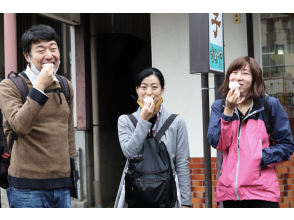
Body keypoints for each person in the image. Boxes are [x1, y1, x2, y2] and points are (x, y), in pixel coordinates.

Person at [0, 24, 77, 208]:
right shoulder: (10, 86)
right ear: (27, 56)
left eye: (53, 48)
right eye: (40, 50)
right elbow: (21, 126)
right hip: (27, 187)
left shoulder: (65, 85)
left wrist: (73, 176)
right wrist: (39, 87)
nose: (49, 55)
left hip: (62, 185)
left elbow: (69, 133)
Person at [207, 56, 294, 208]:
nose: (238, 77)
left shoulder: (270, 105)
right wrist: (228, 110)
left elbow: (287, 145)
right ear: (228, 77)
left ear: (254, 79)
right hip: (230, 194)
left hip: (263, 193)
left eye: (245, 73)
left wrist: (260, 157)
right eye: (234, 72)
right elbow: (219, 143)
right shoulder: (219, 107)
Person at [114, 68, 191, 208]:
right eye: (143, 87)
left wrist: (185, 202)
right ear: (137, 90)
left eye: (154, 87)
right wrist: (143, 120)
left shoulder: (176, 122)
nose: (149, 92)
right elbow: (129, 153)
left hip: (168, 196)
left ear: (162, 89)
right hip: (135, 197)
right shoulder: (125, 121)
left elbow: (181, 164)